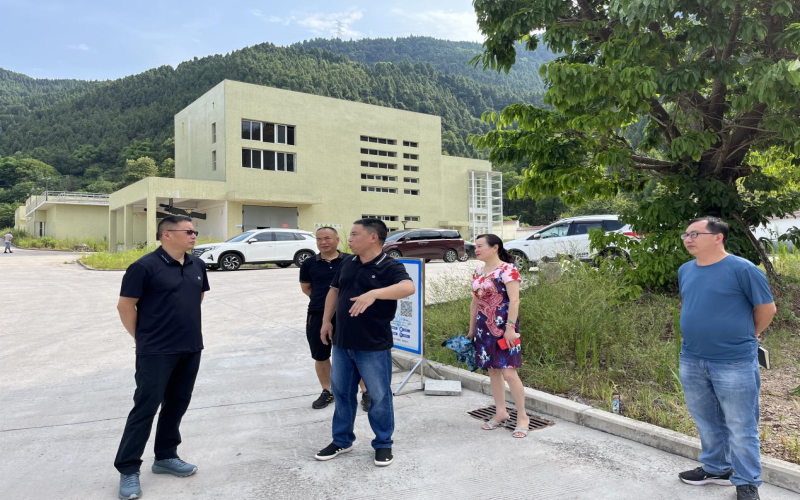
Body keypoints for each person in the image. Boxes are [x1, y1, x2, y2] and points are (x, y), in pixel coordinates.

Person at [677, 216, 776, 500]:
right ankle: (717, 468)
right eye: (686, 235)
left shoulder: (743, 269)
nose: (688, 239)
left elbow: (767, 309)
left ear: (718, 237)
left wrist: (748, 334)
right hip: (692, 358)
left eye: (695, 234)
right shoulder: (686, 270)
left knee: (741, 425)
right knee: (706, 419)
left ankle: (746, 481)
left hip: (734, 361)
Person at [114, 216, 210, 500]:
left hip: (190, 347)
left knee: (177, 404)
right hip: (156, 351)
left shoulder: (197, 265)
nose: (194, 235)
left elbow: (197, 298)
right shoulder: (144, 267)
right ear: (167, 234)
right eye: (188, 231)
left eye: (194, 231)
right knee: (145, 408)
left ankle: (166, 456)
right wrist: (141, 337)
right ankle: (128, 468)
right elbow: (125, 306)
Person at [314, 218, 414, 467]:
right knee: (342, 394)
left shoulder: (389, 266)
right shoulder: (348, 262)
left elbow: (408, 287)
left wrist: (374, 294)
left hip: (373, 345)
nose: (349, 239)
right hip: (342, 342)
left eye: (354, 234)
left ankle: (383, 443)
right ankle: (342, 440)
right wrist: (326, 321)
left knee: (379, 396)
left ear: (373, 237)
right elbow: (334, 290)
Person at [299, 226, 370, 411]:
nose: (323, 242)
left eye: (327, 238)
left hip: (349, 315)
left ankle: (366, 391)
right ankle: (327, 391)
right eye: (319, 239)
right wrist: (326, 305)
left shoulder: (352, 260)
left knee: (356, 354)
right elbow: (306, 288)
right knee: (320, 354)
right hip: (317, 314)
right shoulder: (309, 264)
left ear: (337, 240)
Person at [468, 234, 529, 438]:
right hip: (483, 327)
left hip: (504, 327)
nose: (476, 250)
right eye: (475, 246)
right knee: (493, 371)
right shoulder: (478, 272)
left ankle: (522, 416)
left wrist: (510, 328)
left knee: (509, 373)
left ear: (495, 248)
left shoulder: (508, 269)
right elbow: (475, 302)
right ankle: (500, 412)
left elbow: (515, 301)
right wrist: (471, 329)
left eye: (480, 246)